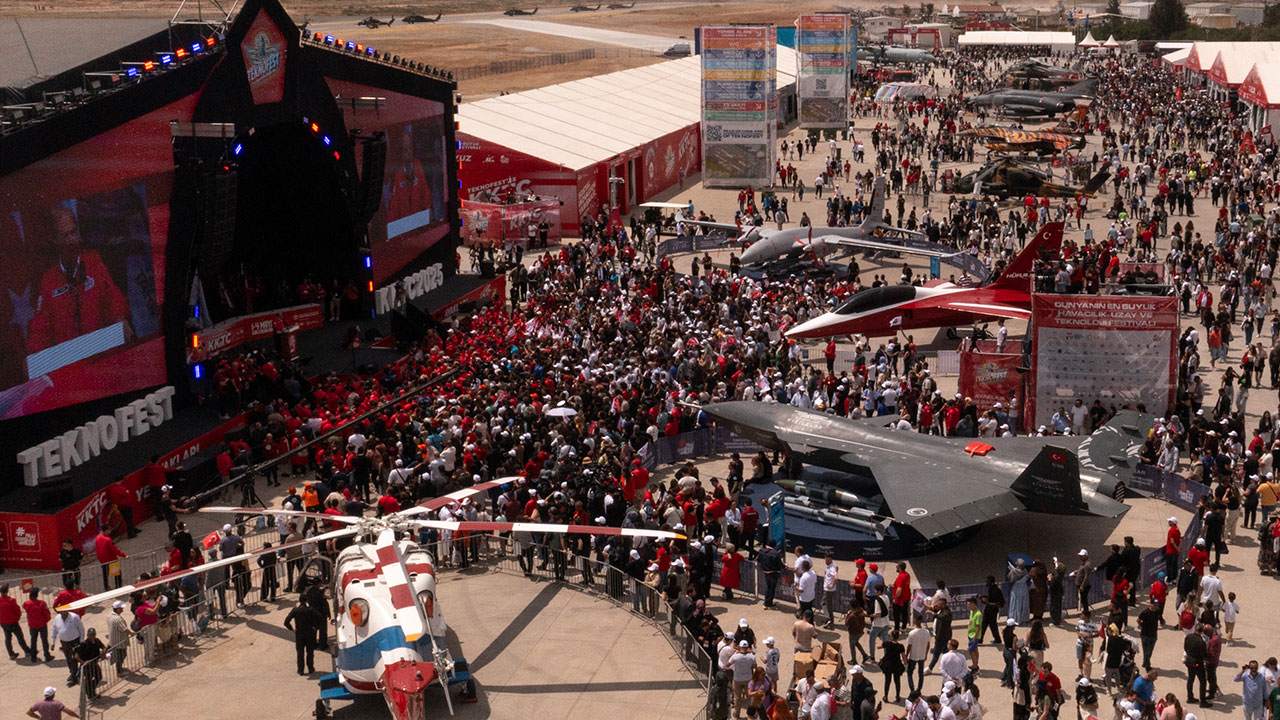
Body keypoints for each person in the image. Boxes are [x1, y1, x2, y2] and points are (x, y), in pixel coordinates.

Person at [283, 599, 322, 675]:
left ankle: (300, 670)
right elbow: (320, 618)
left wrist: (291, 629)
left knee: (300, 653)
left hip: (299, 634)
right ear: (306, 601)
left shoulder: (295, 610)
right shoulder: (310, 610)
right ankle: (310, 668)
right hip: (309, 633)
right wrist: (315, 627)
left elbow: (286, 622)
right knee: (310, 652)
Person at [51, 607, 84, 686]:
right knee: (68, 659)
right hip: (64, 643)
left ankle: (74, 678)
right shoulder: (57, 618)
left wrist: (82, 641)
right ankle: (73, 672)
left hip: (74, 641)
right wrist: (53, 642)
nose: (64, 612)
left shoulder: (74, 617)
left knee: (73, 659)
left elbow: (81, 629)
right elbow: (54, 630)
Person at [1, 583, 32, 660]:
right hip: (13, 622)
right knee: (20, 636)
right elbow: (17, 610)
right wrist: (17, 617)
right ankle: (27, 650)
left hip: (3, 622)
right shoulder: (11, 600)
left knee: (7, 638)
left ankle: (11, 654)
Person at [74, 628, 105, 699]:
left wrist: (103, 652)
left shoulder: (97, 641)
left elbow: (103, 647)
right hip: (87, 666)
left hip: (94, 663)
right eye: (91, 635)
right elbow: (76, 656)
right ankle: (90, 693)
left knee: (98, 676)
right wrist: (84, 662)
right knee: (89, 679)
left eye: (93, 634)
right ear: (88, 635)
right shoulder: (84, 644)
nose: (92, 636)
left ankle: (90, 690)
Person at [24, 589, 53, 663]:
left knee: (33, 641)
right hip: (42, 624)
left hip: (32, 625)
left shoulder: (26, 604)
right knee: (44, 640)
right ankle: (47, 655)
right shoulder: (42, 603)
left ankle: (33, 657)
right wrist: (45, 620)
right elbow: (47, 614)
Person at [106, 601, 132, 673]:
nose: (122, 609)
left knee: (118, 656)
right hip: (119, 642)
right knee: (122, 655)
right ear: (117, 609)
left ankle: (119, 669)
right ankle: (119, 671)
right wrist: (132, 633)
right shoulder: (118, 619)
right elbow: (125, 629)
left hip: (113, 641)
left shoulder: (109, 616)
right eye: (121, 608)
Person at [881, 629, 906, 703]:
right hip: (897, 665)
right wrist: (905, 663)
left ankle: (886, 696)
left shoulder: (887, 644)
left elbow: (879, 646)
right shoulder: (901, 646)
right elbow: (903, 656)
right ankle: (897, 696)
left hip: (888, 665)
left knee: (887, 681)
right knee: (897, 681)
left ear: (891, 637)